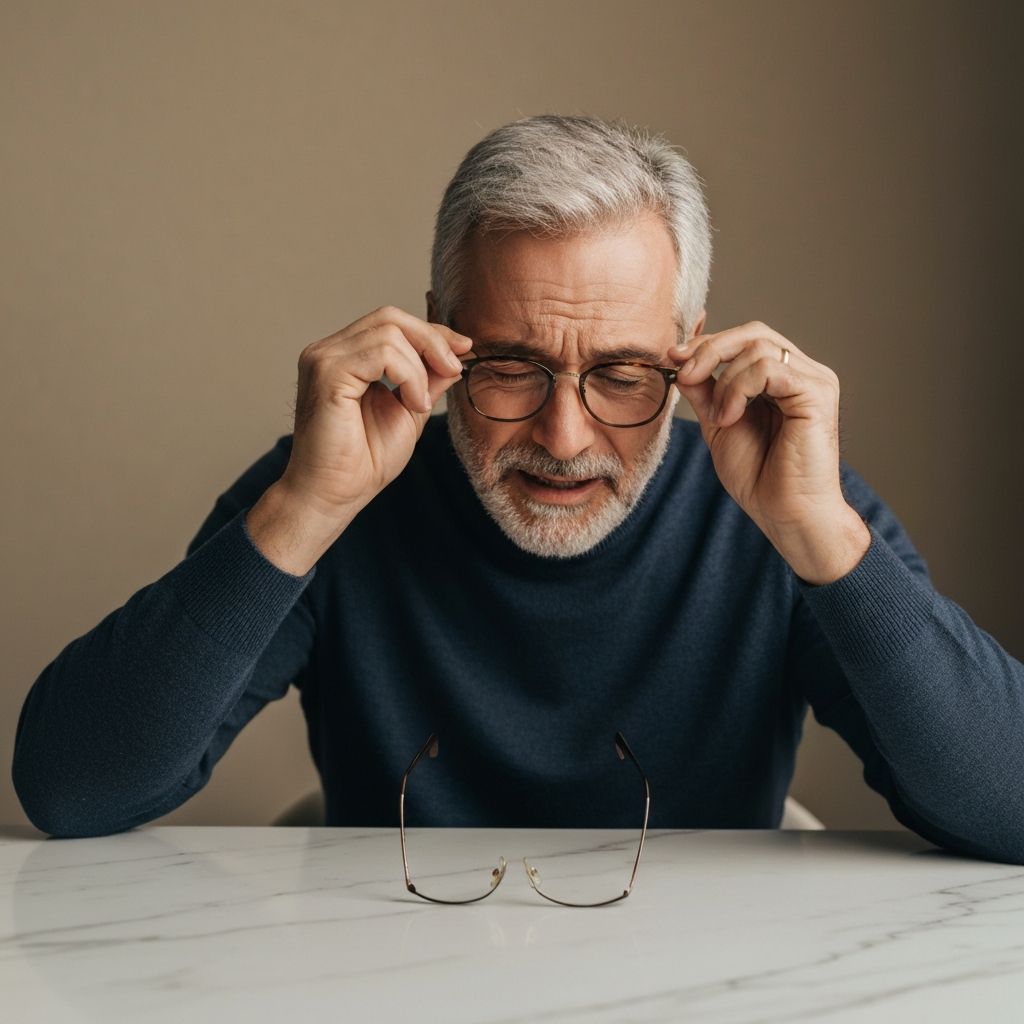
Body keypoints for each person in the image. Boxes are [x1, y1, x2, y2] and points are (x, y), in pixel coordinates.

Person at [11, 115, 1023, 864]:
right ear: (434, 334)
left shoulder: (784, 497)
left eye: (623, 373)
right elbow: (71, 788)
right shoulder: (339, 482)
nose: (564, 435)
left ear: (692, 351)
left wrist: (823, 540)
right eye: (508, 367)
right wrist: (304, 509)